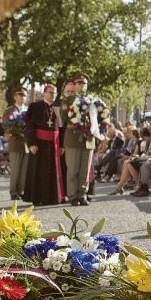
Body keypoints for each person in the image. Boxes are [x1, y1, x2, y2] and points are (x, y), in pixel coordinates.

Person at [61, 74, 109, 207]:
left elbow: (99, 116)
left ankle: (82, 194)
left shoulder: (92, 101)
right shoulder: (68, 100)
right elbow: (65, 117)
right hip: (74, 138)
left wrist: (102, 124)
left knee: (85, 169)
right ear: (74, 85)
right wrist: (81, 122)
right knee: (73, 169)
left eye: (85, 84)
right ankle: (72, 195)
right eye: (80, 83)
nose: (82, 86)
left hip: (88, 139)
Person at [24, 84, 63, 206]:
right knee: (38, 171)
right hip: (39, 144)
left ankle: (52, 198)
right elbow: (29, 125)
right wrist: (32, 143)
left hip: (54, 145)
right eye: (51, 93)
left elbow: (62, 128)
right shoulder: (35, 106)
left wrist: (62, 145)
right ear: (44, 93)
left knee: (52, 171)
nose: (53, 95)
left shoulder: (58, 108)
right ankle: (37, 197)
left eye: (55, 93)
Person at [2, 88, 29, 200]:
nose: (22, 98)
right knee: (15, 169)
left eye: (24, 96)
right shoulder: (9, 110)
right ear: (15, 97)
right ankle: (13, 191)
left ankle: (21, 190)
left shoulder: (28, 110)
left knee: (24, 170)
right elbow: (5, 124)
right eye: (20, 95)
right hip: (15, 142)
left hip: (26, 143)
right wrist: (10, 131)